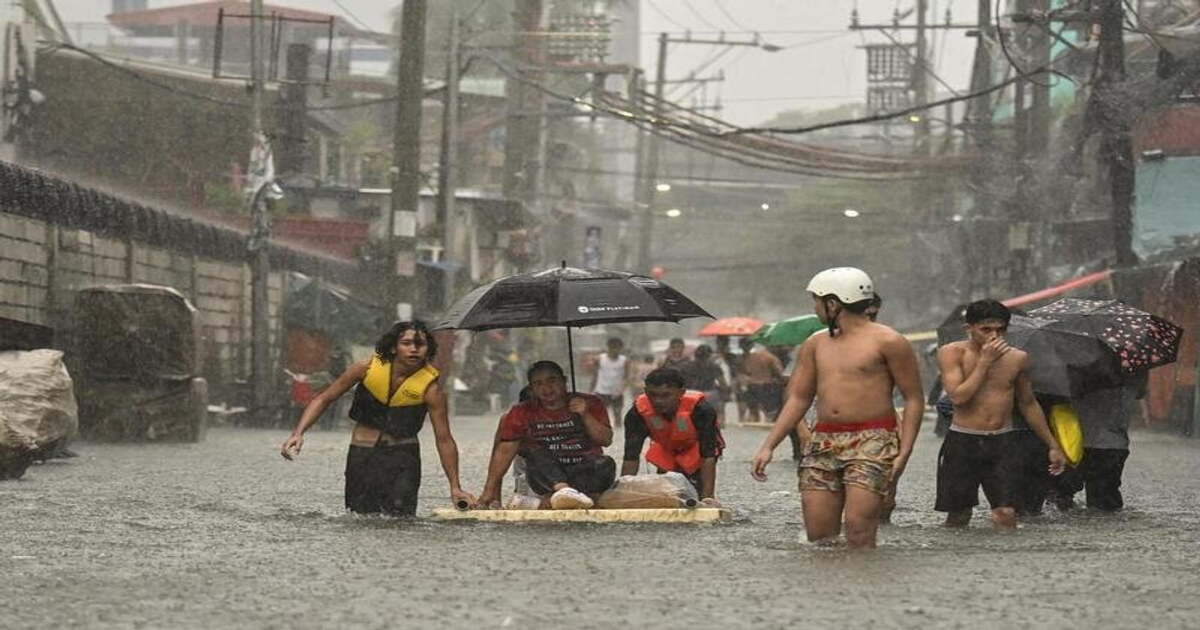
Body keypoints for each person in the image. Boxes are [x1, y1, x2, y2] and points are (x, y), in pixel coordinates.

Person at [751, 267, 924, 549]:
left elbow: (914, 397)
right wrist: (768, 445)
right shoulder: (815, 344)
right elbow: (798, 398)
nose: (814, 307)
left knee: (859, 531)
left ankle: (864, 588)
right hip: (824, 441)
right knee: (819, 537)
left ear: (833, 304)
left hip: (873, 441)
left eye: (816, 301)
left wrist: (905, 449)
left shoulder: (889, 341)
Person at [280, 321, 473, 516]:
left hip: (403, 459)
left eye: (420, 344)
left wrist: (455, 487)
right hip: (363, 456)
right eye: (406, 343)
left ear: (428, 349)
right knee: (359, 519)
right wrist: (298, 433)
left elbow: (444, 439)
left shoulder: (431, 390)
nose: (414, 349)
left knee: (401, 522)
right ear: (393, 347)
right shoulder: (365, 369)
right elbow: (324, 398)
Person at [935, 299, 1067, 529]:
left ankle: (1008, 563)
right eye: (986, 329)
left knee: (1006, 514)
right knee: (958, 516)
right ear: (969, 328)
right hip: (963, 441)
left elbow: (1028, 403)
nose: (993, 336)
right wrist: (984, 363)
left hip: (1003, 442)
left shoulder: (1017, 358)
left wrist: (1053, 445)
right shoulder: (951, 353)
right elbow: (958, 397)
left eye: (1000, 329)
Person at [475, 360, 616, 510]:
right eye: (538, 383)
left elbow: (606, 440)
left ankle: (569, 498)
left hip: (583, 472)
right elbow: (503, 453)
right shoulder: (521, 412)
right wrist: (489, 491)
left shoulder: (591, 402)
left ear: (564, 381)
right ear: (532, 388)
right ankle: (563, 492)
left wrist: (585, 414)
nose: (546, 388)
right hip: (545, 475)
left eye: (551, 381)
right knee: (536, 454)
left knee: (604, 463)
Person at [622, 367, 725, 505]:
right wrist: (623, 495)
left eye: (666, 395)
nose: (658, 401)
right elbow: (631, 457)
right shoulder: (637, 414)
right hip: (666, 448)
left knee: (694, 495)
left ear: (681, 393)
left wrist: (708, 498)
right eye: (653, 395)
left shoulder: (701, 410)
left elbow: (708, 455)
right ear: (646, 392)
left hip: (696, 450)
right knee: (666, 494)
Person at [1055, 375, 1146, 511]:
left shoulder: (1077, 363)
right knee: (1104, 505)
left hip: (1074, 443)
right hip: (1111, 445)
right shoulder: (1133, 364)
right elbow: (1140, 392)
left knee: (1060, 500)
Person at [589, 337, 631, 427]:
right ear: (608, 347)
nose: (615, 350)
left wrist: (620, 390)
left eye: (617, 348)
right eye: (613, 347)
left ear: (621, 348)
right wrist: (591, 390)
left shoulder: (624, 361)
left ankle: (618, 437)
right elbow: (595, 375)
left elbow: (626, 377)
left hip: (617, 392)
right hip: (601, 391)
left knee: (618, 417)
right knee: (600, 416)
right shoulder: (600, 358)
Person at [742, 343, 784, 423]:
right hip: (766, 386)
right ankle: (765, 433)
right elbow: (780, 373)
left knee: (753, 411)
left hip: (752, 385)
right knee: (770, 413)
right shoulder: (771, 358)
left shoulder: (751, 356)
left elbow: (747, 370)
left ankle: (751, 432)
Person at [687, 345, 729, 426]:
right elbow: (722, 383)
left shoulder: (688, 366)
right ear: (709, 355)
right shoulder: (714, 366)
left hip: (694, 395)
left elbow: (684, 383)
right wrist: (725, 395)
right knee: (717, 414)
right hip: (710, 394)